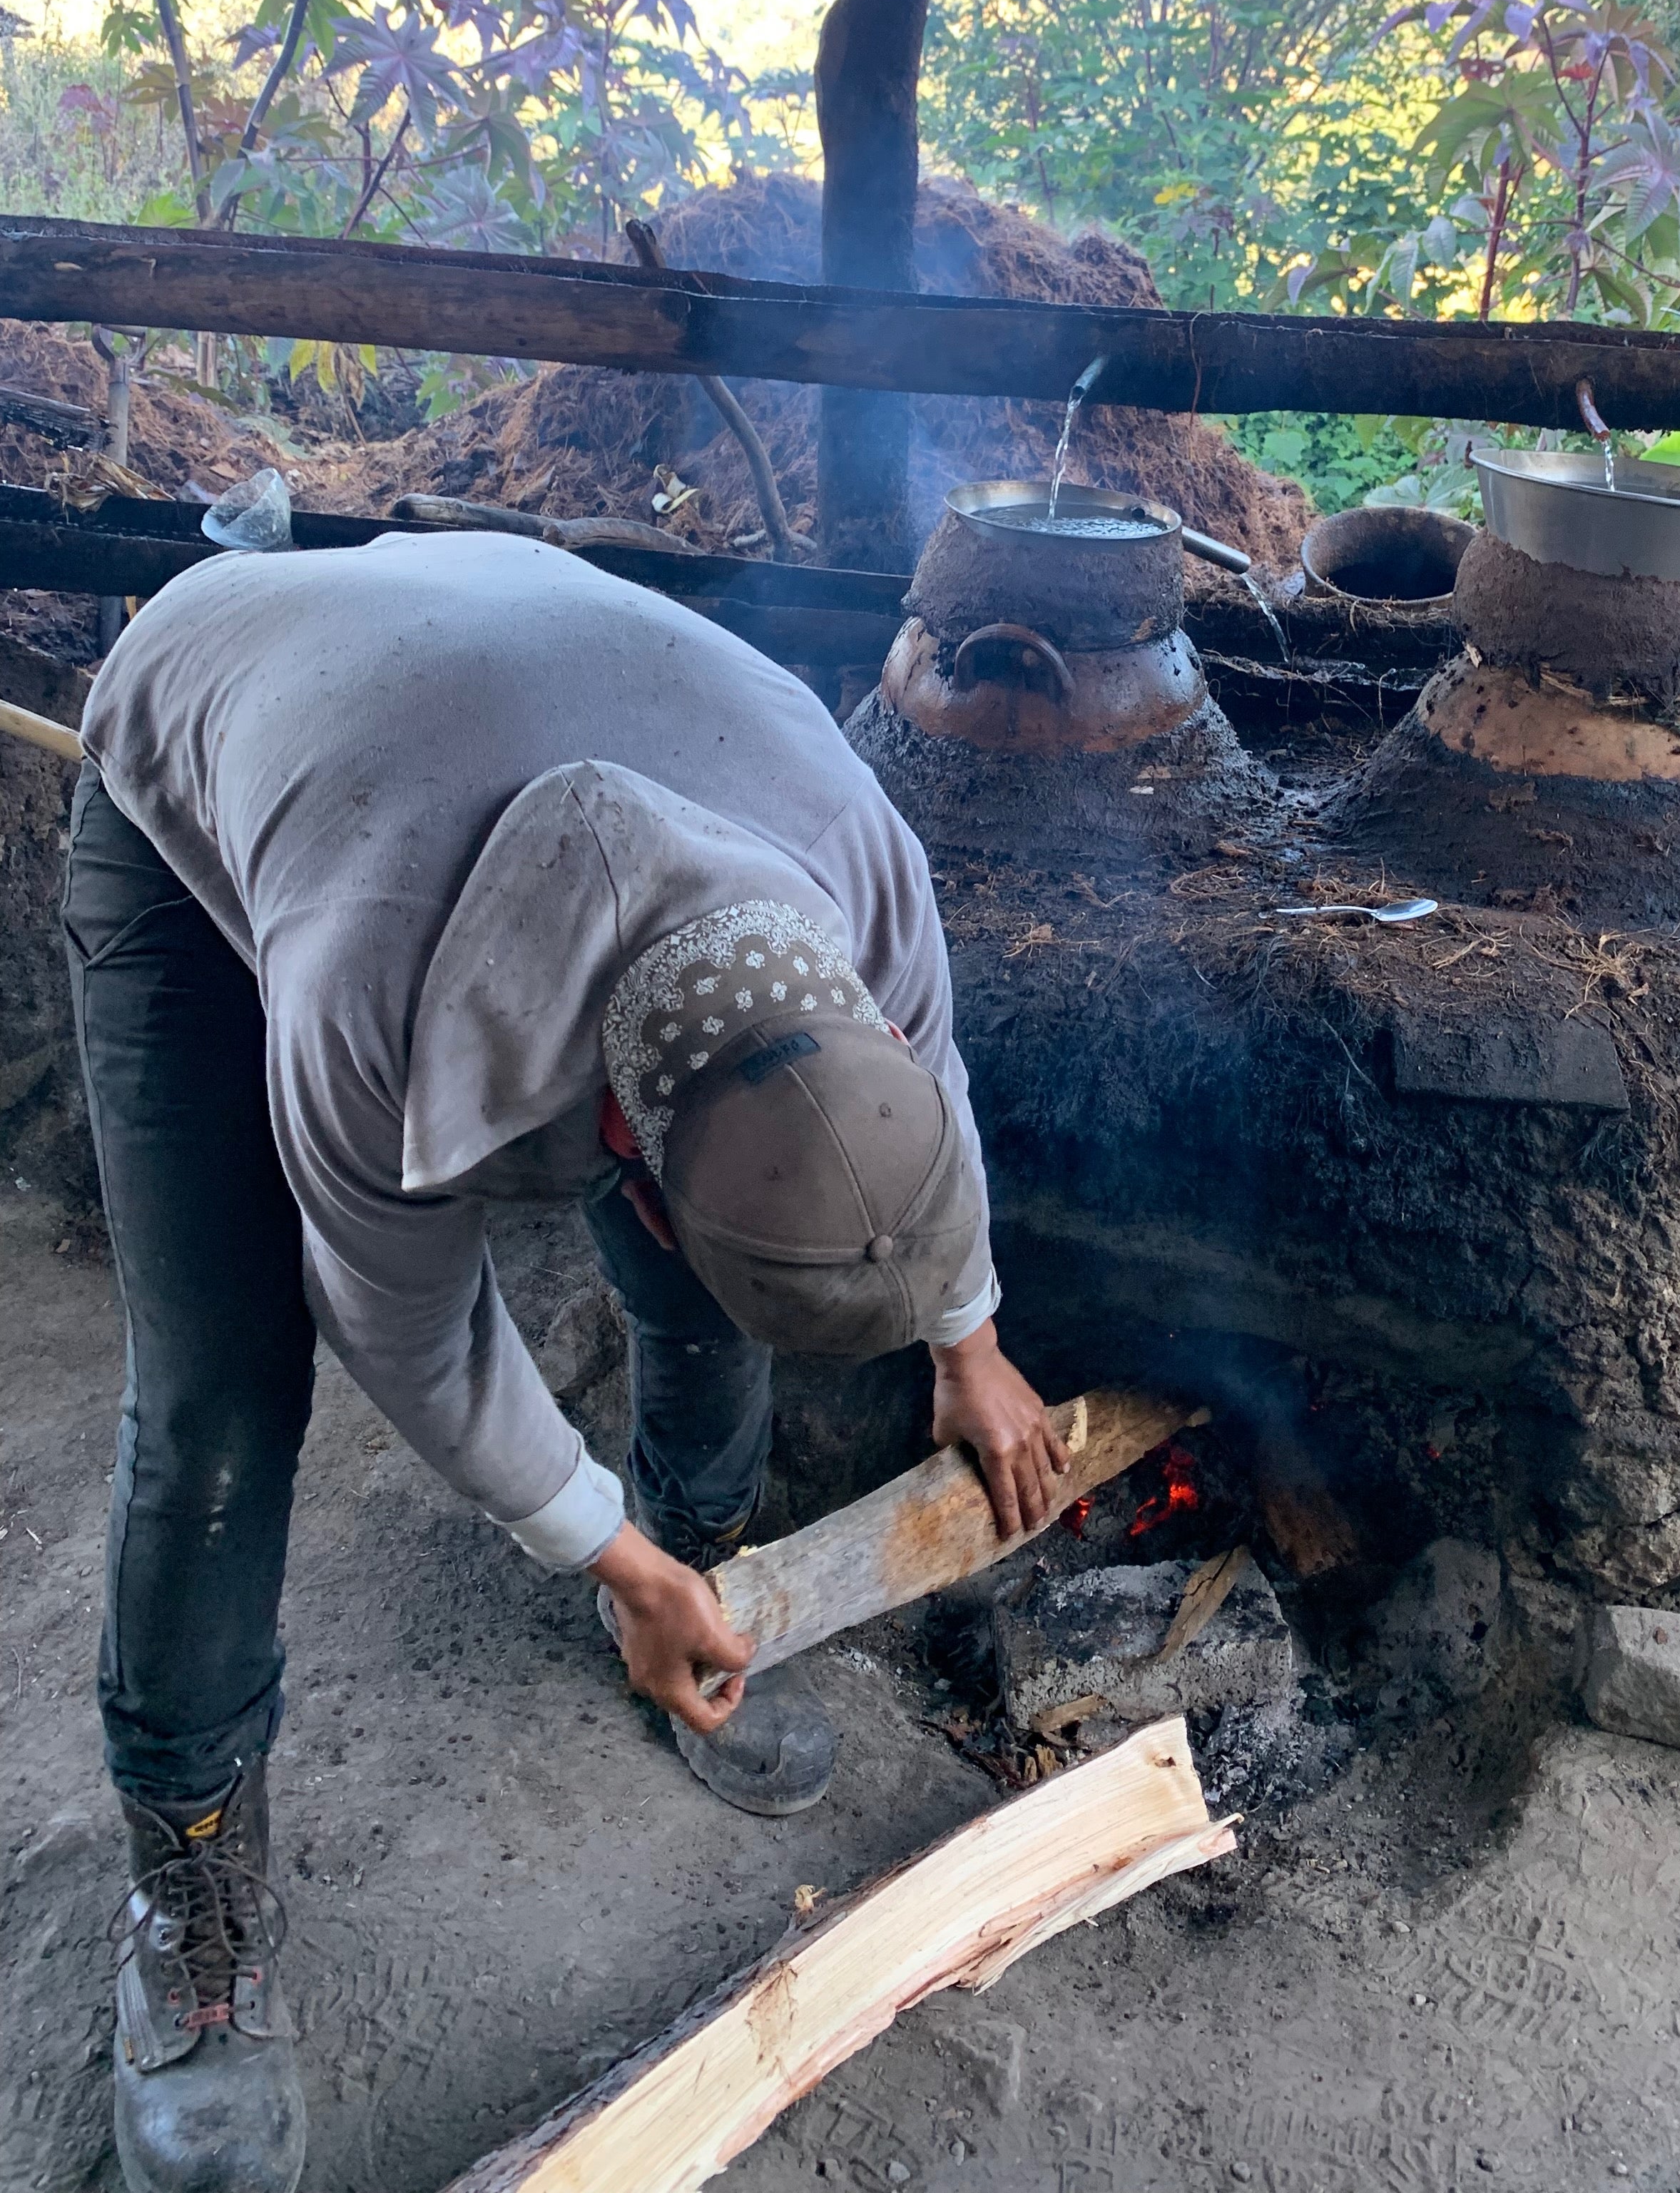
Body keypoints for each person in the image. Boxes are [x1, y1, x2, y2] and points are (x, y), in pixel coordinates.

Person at [63, 529, 1066, 2193]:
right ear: (626, 1163)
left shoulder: (857, 872)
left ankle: (711, 1587)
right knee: (220, 1395)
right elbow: (410, 1327)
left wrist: (970, 1332)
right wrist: (598, 1551)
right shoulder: (366, 1014)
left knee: (726, 1293)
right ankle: (193, 1879)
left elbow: (923, 1099)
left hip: (495, 674)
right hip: (225, 754)